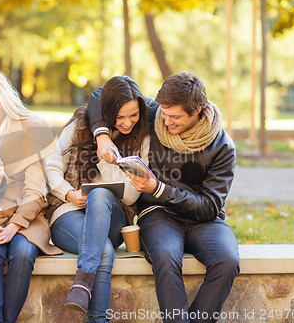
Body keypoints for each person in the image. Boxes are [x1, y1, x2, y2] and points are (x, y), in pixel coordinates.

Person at [88, 72, 240, 323]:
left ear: (197, 111)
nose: (166, 121)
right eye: (164, 114)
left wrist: (159, 188)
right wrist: (102, 136)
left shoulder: (222, 146)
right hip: (157, 214)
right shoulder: (156, 112)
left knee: (227, 261)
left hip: (203, 218)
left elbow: (211, 206)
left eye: (175, 117)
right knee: (166, 255)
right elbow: (99, 95)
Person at [46, 76, 150, 321]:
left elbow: (133, 193)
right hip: (67, 214)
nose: (127, 123)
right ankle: (97, 317)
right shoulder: (80, 125)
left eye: (133, 115)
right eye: (120, 116)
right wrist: (69, 194)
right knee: (102, 250)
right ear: (105, 112)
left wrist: (107, 159)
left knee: (100, 194)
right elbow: (51, 169)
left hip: (112, 219)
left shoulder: (141, 137)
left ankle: (82, 282)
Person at [0, 70, 62, 323]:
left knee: (22, 252)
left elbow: (36, 190)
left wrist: (15, 226)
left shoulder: (31, 128)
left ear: (5, 101)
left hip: (26, 213)